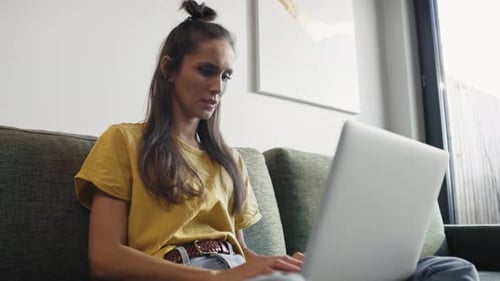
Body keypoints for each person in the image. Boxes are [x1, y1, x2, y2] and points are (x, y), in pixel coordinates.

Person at [74, 1, 479, 280]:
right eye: (206, 70)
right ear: (169, 69)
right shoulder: (125, 142)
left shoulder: (227, 160)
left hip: (236, 273)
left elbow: (239, 252)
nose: (218, 87)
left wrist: (276, 263)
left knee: (447, 268)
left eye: (226, 76)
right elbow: (104, 258)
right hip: (186, 272)